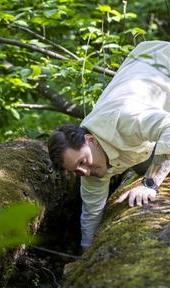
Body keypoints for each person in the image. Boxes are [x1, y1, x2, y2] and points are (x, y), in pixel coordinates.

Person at [48, 40, 170, 250]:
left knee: (151, 170)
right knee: (145, 165)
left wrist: (149, 183)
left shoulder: (125, 118)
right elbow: (92, 213)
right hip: (146, 70)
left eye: (83, 162)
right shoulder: (89, 170)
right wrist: (85, 255)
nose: (85, 171)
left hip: (162, 62)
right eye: (77, 171)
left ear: (91, 139)